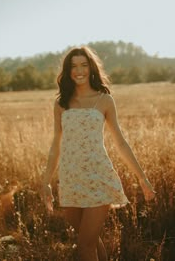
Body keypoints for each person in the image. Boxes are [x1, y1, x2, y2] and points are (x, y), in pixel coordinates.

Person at [42, 46, 155, 261]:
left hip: (98, 177)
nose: (79, 70)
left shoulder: (104, 100)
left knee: (84, 246)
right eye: (73, 66)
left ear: (92, 68)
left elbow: (120, 143)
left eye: (84, 64)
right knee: (89, 241)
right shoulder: (60, 103)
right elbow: (56, 144)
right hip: (70, 178)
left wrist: (143, 178)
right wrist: (46, 180)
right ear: (67, 71)